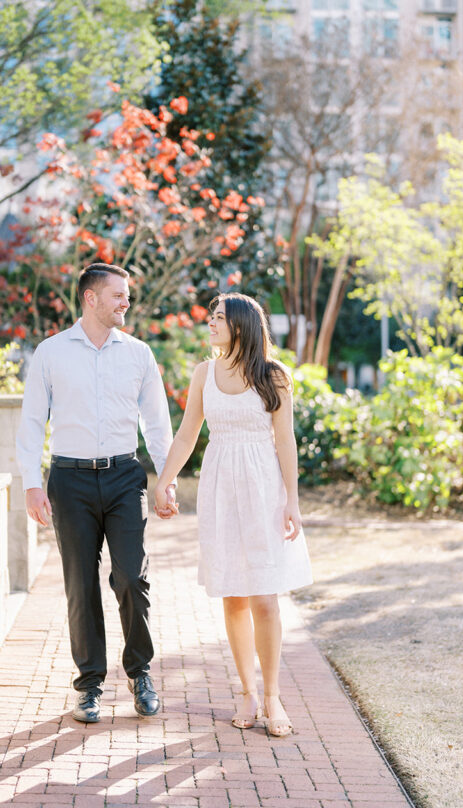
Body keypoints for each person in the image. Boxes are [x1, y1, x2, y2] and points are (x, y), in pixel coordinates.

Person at [16, 263, 176, 723]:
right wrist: (31, 482)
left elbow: (157, 423)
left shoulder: (139, 353)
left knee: (131, 577)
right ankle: (89, 686)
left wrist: (165, 480)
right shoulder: (50, 353)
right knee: (80, 585)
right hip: (70, 480)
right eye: (118, 295)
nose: (127, 302)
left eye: (127, 295)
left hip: (126, 477)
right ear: (91, 298)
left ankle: (140, 671)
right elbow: (31, 422)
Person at [154, 293, 312, 737]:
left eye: (219, 318)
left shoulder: (274, 376)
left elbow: (286, 442)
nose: (211, 323)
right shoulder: (204, 372)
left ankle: (273, 695)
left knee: (264, 595)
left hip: (264, 488)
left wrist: (292, 501)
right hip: (221, 488)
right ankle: (246, 691)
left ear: (241, 324)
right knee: (234, 595)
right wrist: (163, 480)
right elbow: (188, 434)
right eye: (211, 317)